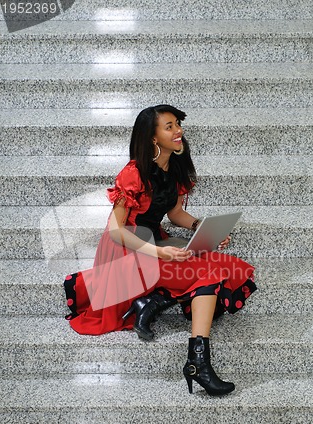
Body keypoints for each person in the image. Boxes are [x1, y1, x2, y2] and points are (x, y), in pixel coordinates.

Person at [64, 104, 257, 396]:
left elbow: (176, 213)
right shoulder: (133, 173)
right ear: (153, 137)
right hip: (127, 251)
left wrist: (200, 228)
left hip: (155, 244)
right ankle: (197, 363)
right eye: (169, 126)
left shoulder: (175, 168)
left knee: (232, 268)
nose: (178, 130)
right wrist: (159, 253)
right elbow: (116, 231)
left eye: (177, 123)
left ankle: (156, 303)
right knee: (210, 276)